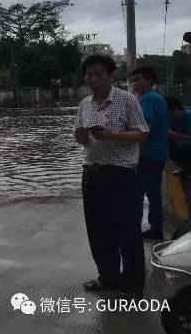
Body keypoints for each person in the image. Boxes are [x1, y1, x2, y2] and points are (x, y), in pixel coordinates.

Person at [75, 55, 149, 300]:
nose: (93, 79)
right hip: (92, 173)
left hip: (121, 174)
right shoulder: (85, 103)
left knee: (127, 231)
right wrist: (83, 136)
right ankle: (108, 277)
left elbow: (141, 134)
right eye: (89, 75)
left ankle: (132, 286)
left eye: (98, 74)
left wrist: (112, 135)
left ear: (110, 75)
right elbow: (82, 141)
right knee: (98, 230)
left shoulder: (127, 100)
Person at [131, 66, 170, 241]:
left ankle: (132, 229)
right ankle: (156, 229)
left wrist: (137, 155)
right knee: (154, 194)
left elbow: (144, 129)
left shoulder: (149, 99)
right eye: (134, 80)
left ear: (148, 80)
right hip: (159, 153)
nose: (134, 83)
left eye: (138, 79)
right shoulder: (155, 98)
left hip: (148, 155)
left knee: (136, 192)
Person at [165, 97, 191, 171]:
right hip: (183, 143)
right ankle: (186, 168)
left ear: (176, 109)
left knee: (184, 147)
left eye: (168, 112)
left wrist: (178, 136)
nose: (167, 115)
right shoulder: (172, 120)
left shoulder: (189, 116)